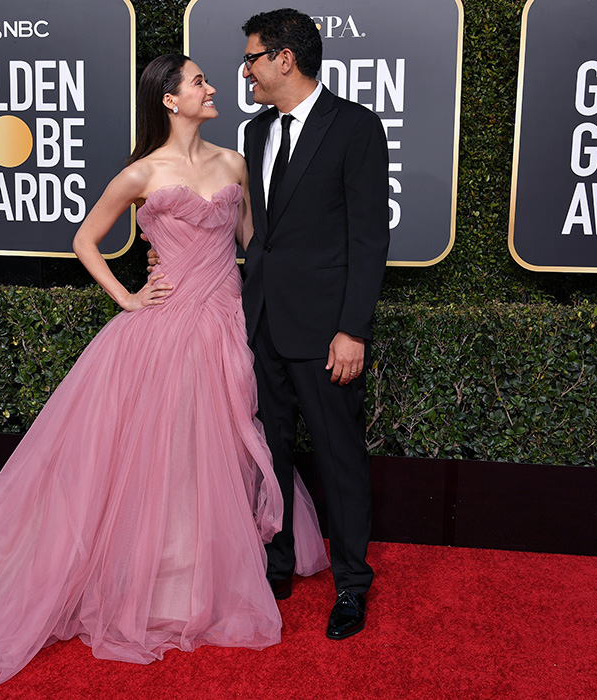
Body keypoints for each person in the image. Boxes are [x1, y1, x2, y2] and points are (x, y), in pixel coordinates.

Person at [0, 54, 327, 687]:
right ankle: (159, 580)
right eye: (199, 81)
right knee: (164, 450)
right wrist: (129, 297)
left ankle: (198, 574)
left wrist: (296, 282)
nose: (212, 86)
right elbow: (86, 240)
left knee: (217, 446)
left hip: (226, 323)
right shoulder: (140, 173)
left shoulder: (233, 164)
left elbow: (254, 243)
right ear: (170, 100)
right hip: (163, 330)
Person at [240, 9, 389, 640]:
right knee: (268, 454)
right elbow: (260, 235)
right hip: (264, 321)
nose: (244, 71)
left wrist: (352, 328)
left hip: (327, 331)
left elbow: (369, 235)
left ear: (283, 58)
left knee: (338, 457)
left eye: (251, 58)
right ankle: (276, 567)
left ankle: (352, 583)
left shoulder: (354, 126)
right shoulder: (253, 132)